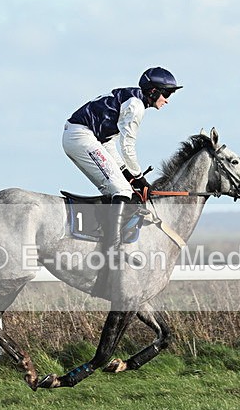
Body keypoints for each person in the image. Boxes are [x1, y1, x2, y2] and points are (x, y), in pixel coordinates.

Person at [62, 67, 182, 287]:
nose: (168, 100)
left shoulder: (131, 99)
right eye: (167, 94)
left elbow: (108, 142)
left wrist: (127, 173)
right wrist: (137, 176)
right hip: (80, 136)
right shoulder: (136, 106)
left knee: (119, 187)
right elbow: (128, 146)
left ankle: (102, 238)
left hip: (87, 137)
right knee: (123, 190)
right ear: (154, 91)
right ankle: (113, 248)